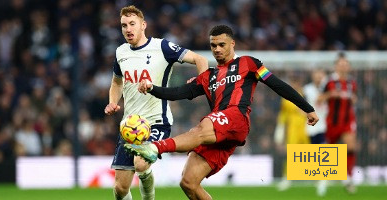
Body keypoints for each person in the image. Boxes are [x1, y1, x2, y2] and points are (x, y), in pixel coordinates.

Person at [125, 25, 319, 200]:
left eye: (221, 44)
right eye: (213, 45)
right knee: (188, 183)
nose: (217, 49)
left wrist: (307, 108)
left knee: (201, 128)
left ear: (232, 44)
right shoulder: (207, 76)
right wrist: (152, 88)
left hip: (236, 117)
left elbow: (278, 85)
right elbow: (177, 93)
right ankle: (159, 149)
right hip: (220, 132)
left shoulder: (249, 63)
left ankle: (155, 148)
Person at [104, 5, 208, 200]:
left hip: (156, 121)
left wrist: (201, 81)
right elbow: (116, 82)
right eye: (124, 25)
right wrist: (112, 102)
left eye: (132, 24)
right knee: (120, 189)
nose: (128, 29)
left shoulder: (162, 47)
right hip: (130, 125)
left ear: (143, 25)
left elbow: (200, 59)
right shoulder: (120, 52)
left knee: (141, 163)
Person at [318, 52, 357, 194]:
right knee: (329, 152)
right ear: (336, 66)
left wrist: (353, 99)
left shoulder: (352, 83)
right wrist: (329, 94)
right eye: (341, 64)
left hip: (347, 121)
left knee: (351, 146)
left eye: (346, 64)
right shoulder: (329, 82)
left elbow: (354, 99)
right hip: (332, 123)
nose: (343, 66)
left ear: (348, 67)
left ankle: (349, 177)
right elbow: (319, 99)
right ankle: (323, 180)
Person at [274, 77, 310, 191]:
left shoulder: (306, 94)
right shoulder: (286, 97)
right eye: (293, 82)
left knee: (310, 152)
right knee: (291, 154)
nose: (295, 84)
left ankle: (314, 177)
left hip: (307, 127)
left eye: (297, 82)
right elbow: (283, 114)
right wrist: (279, 129)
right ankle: (287, 178)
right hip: (293, 128)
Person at [303, 69, 328, 196]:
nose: (318, 77)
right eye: (316, 74)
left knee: (324, 151)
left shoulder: (328, 87)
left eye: (320, 74)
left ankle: (324, 181)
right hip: (312, 127)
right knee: (316, 154)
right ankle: (320, 179)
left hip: (326, 124)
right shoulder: (307, 89)